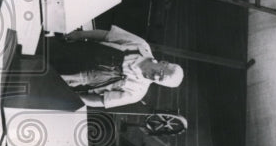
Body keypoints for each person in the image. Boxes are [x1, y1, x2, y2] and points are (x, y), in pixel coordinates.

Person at [48, 25, 184, 109]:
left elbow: (101, 101)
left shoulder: (137, 92)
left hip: (66, 79)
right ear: (164, 63)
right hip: (69, 50)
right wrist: (79, 34)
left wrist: (72, 98)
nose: (155, 77)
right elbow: (106, 35)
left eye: (159, 80)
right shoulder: (141, 46)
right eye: (160, 73)